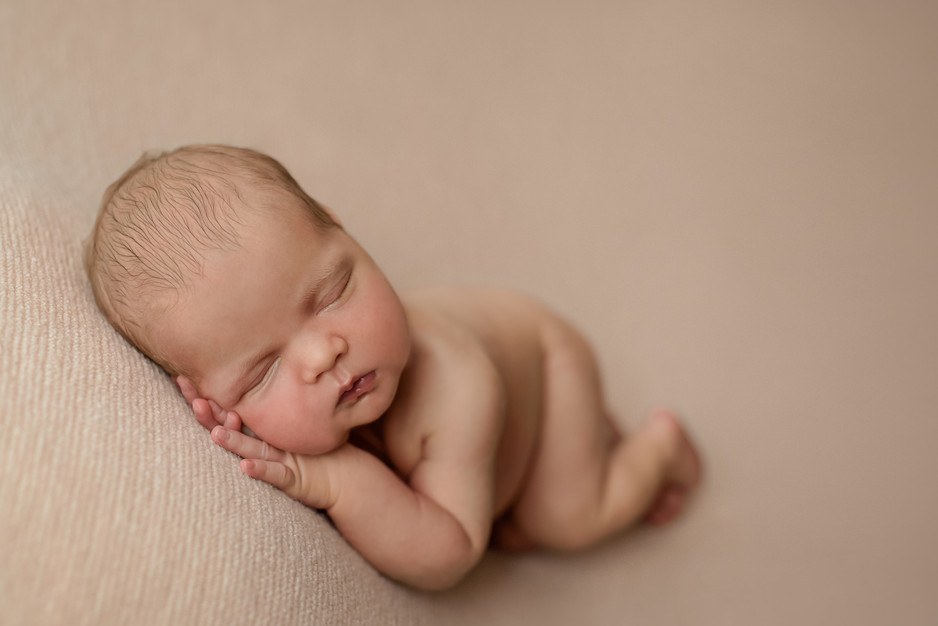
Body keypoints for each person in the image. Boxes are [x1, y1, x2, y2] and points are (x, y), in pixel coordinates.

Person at [85, 144, 702, 590]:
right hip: (507, 397)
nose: (323, 354)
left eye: (331, 293)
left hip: (545, 361)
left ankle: (657, 449)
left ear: (345, 231)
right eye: (262, 372)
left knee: (561, 517)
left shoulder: (457, 388)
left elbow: (451, 555)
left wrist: (336, 479)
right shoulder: (291, 374)